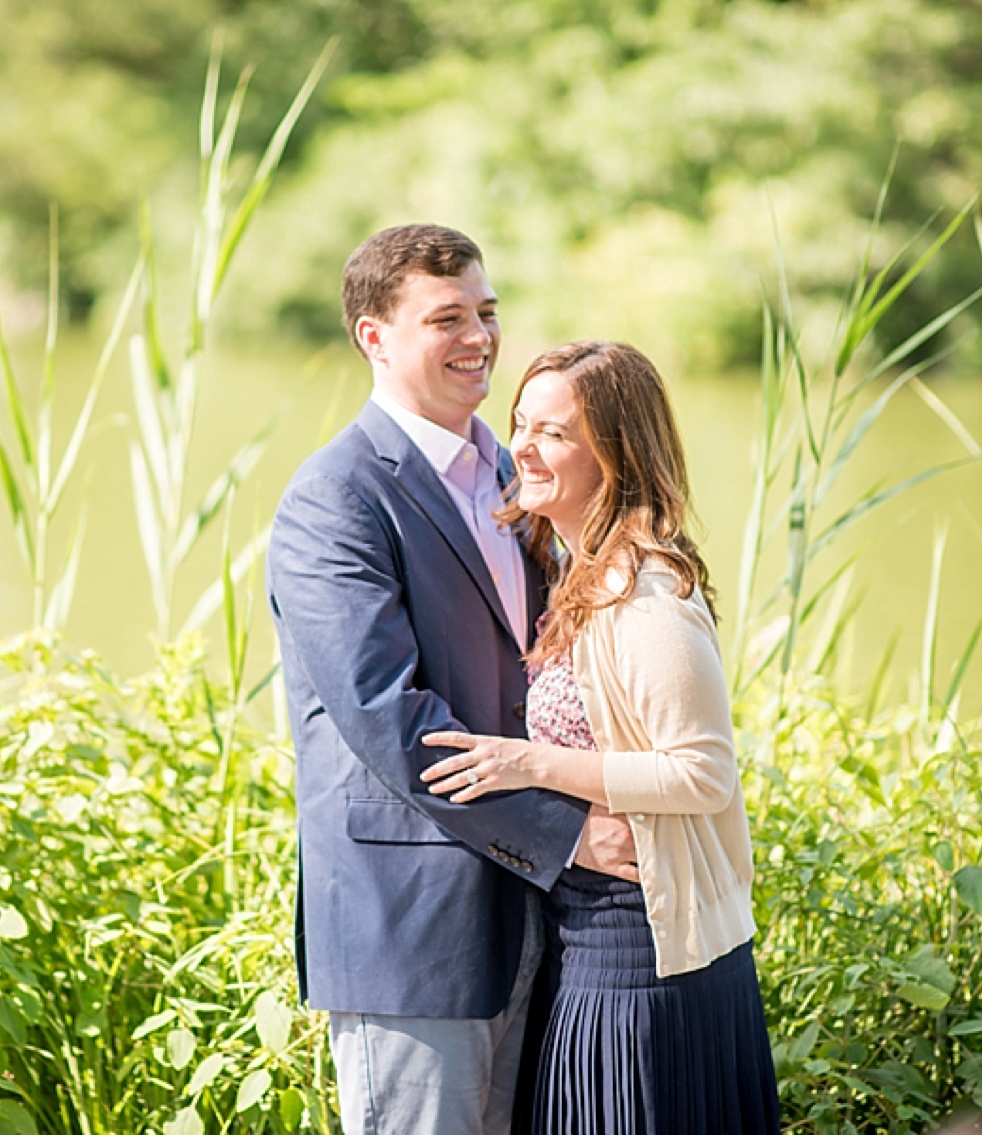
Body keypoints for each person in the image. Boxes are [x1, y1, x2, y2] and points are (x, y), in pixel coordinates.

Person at [267, 226, 639, 1135]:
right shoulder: (335, 498)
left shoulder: (516, 474)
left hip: (541, 921)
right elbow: (391, 718)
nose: (478, 336)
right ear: (374, 337)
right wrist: (571, 834)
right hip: (414, 927)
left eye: (486, 311)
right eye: (446, 318)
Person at [421, 340, 780, 1134]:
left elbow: (702, 774)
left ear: (613, 454)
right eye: (520, 422)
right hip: (586, 934)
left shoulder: (645, 593)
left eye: (553, 432)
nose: (522, 445)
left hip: (645, 950)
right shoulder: (575, 574)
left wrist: (529, 762)